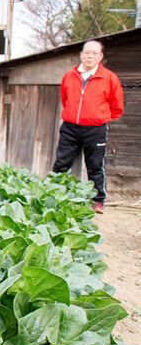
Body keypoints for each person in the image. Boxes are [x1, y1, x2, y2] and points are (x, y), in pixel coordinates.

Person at [52, 40, 124, 214]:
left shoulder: (109, 78)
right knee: (61, 164)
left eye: (94, 53)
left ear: (100, 56)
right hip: (70, 127)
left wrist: (100, 118)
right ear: (81, 55)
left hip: (95, 129)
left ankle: (97, 201)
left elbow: (117, 105)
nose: (90, 56)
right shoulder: (69, 76)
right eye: (87, 52)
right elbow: (65, 99)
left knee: (95, 166)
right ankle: (52, 194)